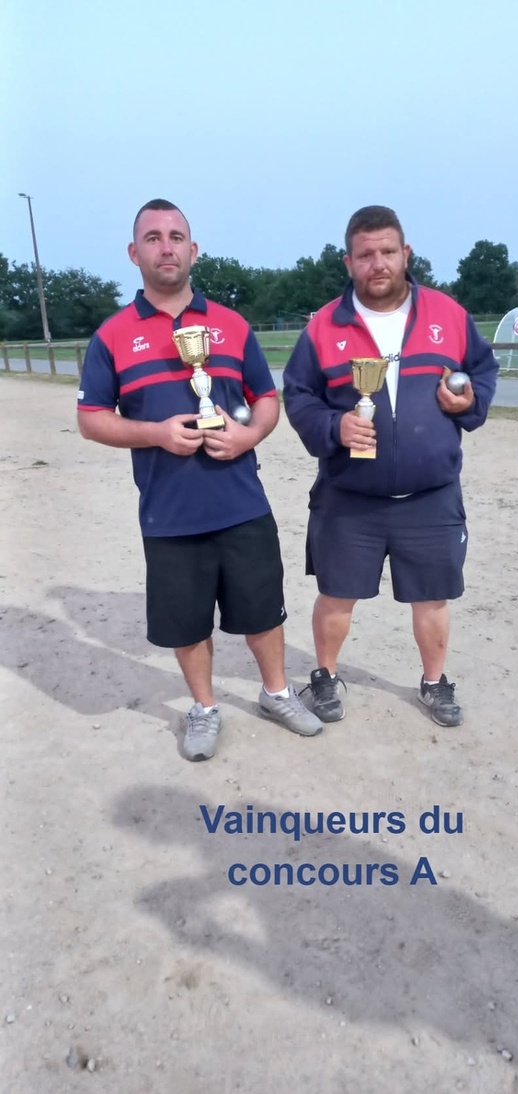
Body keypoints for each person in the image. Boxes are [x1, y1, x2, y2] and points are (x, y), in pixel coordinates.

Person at [77, 198, 321, 759]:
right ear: (134, 253)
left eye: (176, 236)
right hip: (169, 512)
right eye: (154, 237)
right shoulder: (113, 335)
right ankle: (205, 708)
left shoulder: (231, 325)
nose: (167, 246)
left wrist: (248, 436)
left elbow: (266, 398)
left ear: (194, 249)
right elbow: (91, 420)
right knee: (188, 624)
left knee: (263, 611)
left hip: (242, 504)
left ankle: (277, 693)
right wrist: (156, 434)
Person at [283, 205, 499, 728]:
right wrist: (334, 429)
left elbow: (483, 371)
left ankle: (433, 683)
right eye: (365, 254)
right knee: (337, 596)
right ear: (348, 261)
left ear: (406, 253)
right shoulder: (323, 328)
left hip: (430, 495)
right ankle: (326, 677)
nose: (377, 263)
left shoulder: (448, 313)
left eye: (386, 251)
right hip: (350, 496)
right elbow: (299, 395)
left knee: (432, 598)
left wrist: (466, 402)